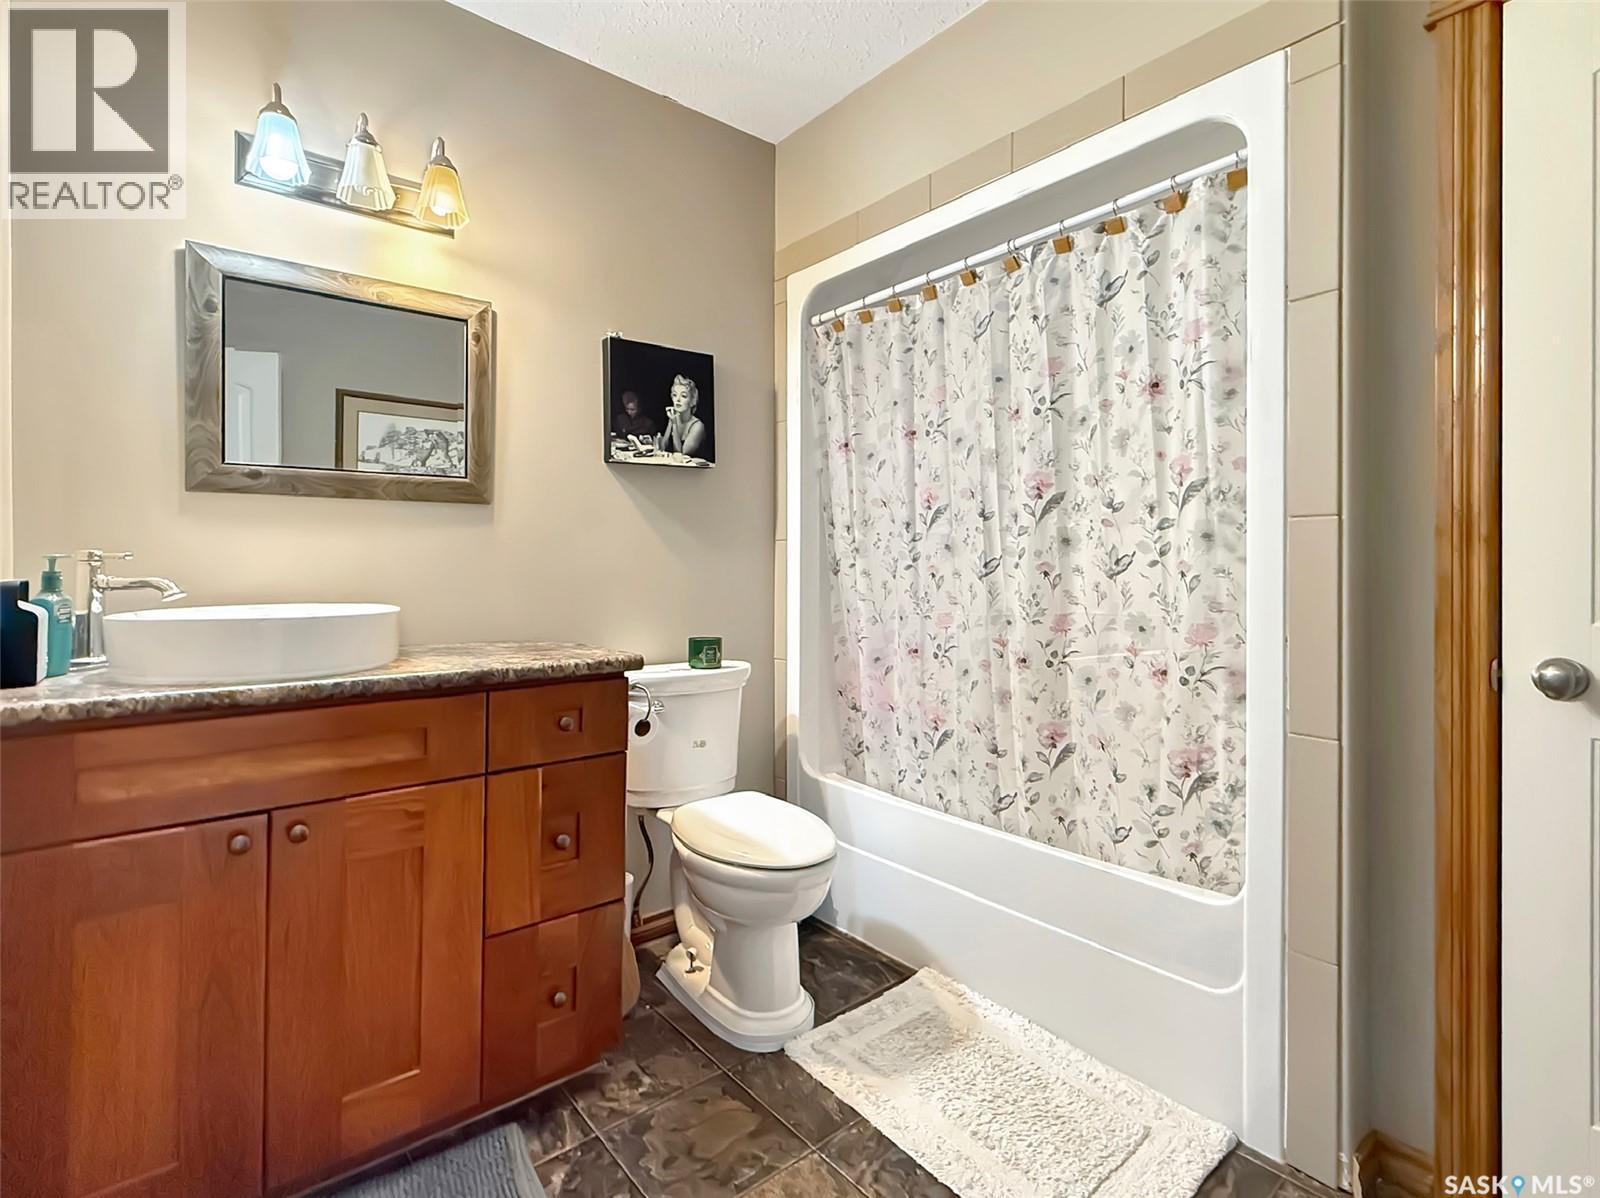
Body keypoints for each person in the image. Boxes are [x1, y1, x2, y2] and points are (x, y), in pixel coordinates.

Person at [656, 375, 707, 458]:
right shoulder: (673, 417)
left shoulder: (698, 426)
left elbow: (681, 455)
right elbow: (663, 448)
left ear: (692, 401)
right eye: (675, 395)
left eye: (683, 396)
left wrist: (674, 424)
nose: (678, 400)